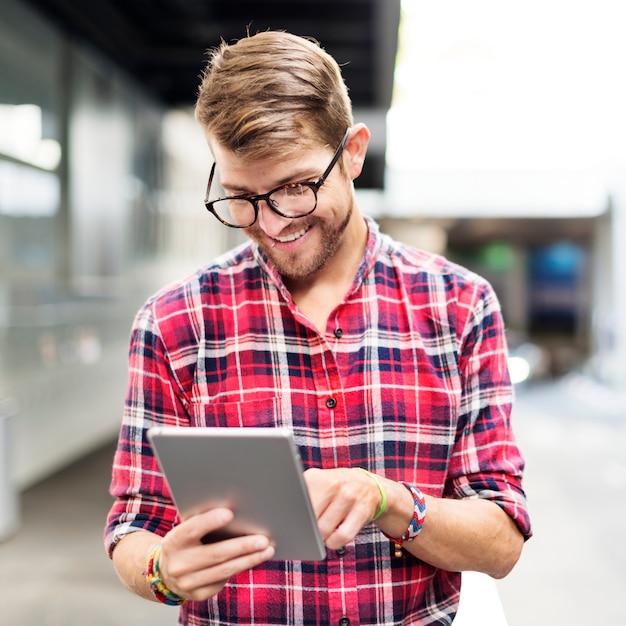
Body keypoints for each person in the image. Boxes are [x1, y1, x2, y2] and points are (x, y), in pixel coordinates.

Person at [105, 30, 532, 625]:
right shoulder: (176, 323)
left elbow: (501, 542)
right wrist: (162, 571)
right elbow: (135, 526)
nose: (272, 223)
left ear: (353, 152)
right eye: (242, 198)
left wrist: (390, 500)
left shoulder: (458, 306)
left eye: (295, 189)